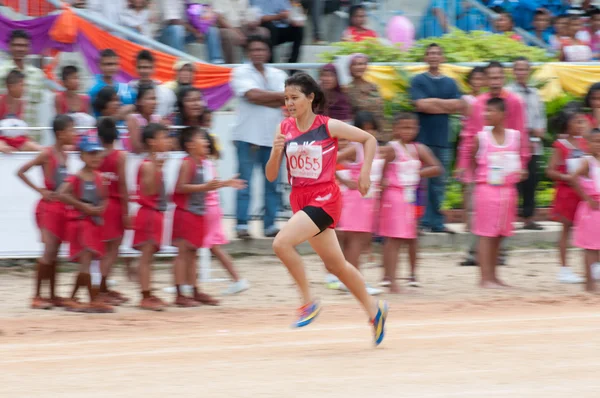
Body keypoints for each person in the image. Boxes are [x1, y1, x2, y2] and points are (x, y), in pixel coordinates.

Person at [265, 72, 388, 345]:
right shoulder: (284, 128)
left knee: (281, 244)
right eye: (286, 98)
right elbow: (271, 175)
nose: (290, 103)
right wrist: (275, 152)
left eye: (294, 97)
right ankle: (374, 310)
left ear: (310, 98)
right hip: (300, 198)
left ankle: (308, 303)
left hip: (324, 197)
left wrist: (365, 173)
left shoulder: (328, 125)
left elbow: (369, 139)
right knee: (336, 266)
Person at [459, 61, 528, 266]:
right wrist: (464, 165)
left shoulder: (514, 102)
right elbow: (469, 135)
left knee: (505, 209)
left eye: (499, 77)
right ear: (486, 79)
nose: (495, 81)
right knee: (477, 209)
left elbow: (520, 132)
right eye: (491, 77)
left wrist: (521, 163)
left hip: (505, 165)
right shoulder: (479, 103)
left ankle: (500, 252)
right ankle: (475, 252)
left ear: (504, 78)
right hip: (482, 165)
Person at [16, 115, 76, 310]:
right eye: (71, 130)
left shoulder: (65, 155)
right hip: (48, 208)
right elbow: (21, 171)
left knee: (55, 253)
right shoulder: (47, 154)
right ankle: (37, 296)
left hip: (61, 207)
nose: (74, 134)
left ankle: (51, 294)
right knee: (49, 251)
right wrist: (40, 189)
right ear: (60, 134)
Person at [379, 112, 442, 292]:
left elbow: (437, 167)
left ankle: (411, 274)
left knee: (412, 236)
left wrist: (417, 173)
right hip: (394, 196)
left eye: (412, 127)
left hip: (412, 196)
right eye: (404, 127)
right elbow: (382, 173)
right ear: (395, 128)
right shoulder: (392, 148)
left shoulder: (418, 148)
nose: (408, 131)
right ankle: (390, 279)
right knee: (394, 239)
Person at [231, 36, 286, 239]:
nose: (257, 53)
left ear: (268, 52)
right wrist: (276, 97)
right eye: (253, 49)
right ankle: (241, 225)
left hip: (273, 137)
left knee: (272, 183)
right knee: (244, 183)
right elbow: (251, 96)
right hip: (247, 136)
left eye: (261, 49)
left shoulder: (278, 73)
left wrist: (265, 98)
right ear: (248, 52)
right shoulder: (240, 72)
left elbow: (286, 99)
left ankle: (270, 225)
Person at [471, 98, 526, 289]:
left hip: (508, 191)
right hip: (487, 190)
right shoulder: (481, 138)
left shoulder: (515, 137)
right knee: (486, 235)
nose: (486, 115)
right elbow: (472, 160)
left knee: (500, 235)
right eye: (485, 111)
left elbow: (520, 162)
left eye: (492, 111)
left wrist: (520, 172)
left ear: (503, 114)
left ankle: (494, 275)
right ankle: (484, 277)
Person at [410, 43, 465, 234]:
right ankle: (423, 221)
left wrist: (433, 103)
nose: (434, 56)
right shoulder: (417, 80)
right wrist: (444, 105)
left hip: (443, 139)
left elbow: (458, 105)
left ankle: (436, 222)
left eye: (437, 53)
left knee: (439, 182)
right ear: (425, 57)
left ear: (442, 57)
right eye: (430, 53)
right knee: (422, 182)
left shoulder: (451, 82)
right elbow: (420, 105)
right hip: (422, 139)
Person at [58, 135, 113, 313]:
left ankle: (73, 297)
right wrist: (83, 206)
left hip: (93, 223)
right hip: (81, 224)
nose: (95, 157)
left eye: (97, 153)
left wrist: (100, 209)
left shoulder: (99, 177)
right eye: (91, 154)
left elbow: (105, 198)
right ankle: (93, 299)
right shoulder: (77, 177)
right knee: (87, 261)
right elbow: (61, 194)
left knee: (87, 263)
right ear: (81, 156)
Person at [335, 111, 383, 295]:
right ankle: (355, 282)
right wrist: (345, 180)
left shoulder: (373, 147)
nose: (369, 133)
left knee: (356, 241)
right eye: (364, 129)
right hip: (357, 199)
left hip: (366, 199)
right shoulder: (356, 147)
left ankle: (348, 280)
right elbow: (329, 162)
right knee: (355, 241)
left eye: (372, 129)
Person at [200, 131, 250, 295]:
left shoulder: (203, 164)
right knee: (211, 247)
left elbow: (209, 185)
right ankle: (237, 279)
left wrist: (226, 183)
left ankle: (237, 279)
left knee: (206, 247)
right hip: (211, 208)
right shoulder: (207, 163)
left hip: (206, 209)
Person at [546, 106, 587, 284]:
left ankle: (593, 266)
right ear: (566, 125)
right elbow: (550, 171)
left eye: (581, 121)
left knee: (589, 229)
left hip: (583, 192)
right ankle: (564, 269)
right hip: (567, 193)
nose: (580, 125)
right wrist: (567, 177)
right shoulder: (560, 146)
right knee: (566, 230)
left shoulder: (586, 143)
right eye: (576, 122)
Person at [131, 123, 170, 311]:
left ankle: (148, 292)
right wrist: (158, 168)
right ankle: (145, 295)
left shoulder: (152, 163)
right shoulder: (148, 165)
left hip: (154, 214)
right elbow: (150, 191)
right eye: (163, 137)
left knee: (148, 257)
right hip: (149, 214)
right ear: (152, 142)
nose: (167, 141)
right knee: (146, 257)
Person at [507, 57, 547, 231]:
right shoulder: (508, 93)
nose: (521, 72)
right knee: (514, 182)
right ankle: (510, 218)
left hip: (534, 145)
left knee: (531, 182)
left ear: (529, 71)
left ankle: (528, 218)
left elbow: (541, 118)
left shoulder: (535, 93)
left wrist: (538, 133)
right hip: (514, 144)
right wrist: (527, 132)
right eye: (518, 69)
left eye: (524, 69)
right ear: (514, 72)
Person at [97, 117, 132, 304]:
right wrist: (126, 212)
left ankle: (104, 288)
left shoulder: (96, 155)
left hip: (100, 204)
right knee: (112, 250)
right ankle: (101, 289)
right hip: (115, 205)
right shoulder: (120, 156)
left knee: (106, 250)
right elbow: (123, 185)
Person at [456, 66, 486, 266]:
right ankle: (471, 241)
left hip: (487, 148)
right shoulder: (467, 101)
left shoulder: (487, 101)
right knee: (470, 196)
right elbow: (467, 131)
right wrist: (463, 161)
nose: (478, 81)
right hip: (470, 147)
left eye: (480, 78)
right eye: (474, 78)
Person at [571, 128, 600, 292]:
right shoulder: (588, 161)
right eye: (596, 141)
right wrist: (586, 197)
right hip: (592, 209)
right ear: (588, 144)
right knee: (590, 248)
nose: (599, 145)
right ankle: (589, 284)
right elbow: (574, 177)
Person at [0, 30, 45, 128]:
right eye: (16, 45)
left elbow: (37, 107)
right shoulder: (1, 73)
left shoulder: (37, 75)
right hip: (5, 137)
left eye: (24, 45)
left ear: (29, 48)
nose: (20, 49)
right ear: (9, 47)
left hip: (31, 134)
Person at [346, 54, 387, 142]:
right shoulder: (347, 89)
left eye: (361, 64)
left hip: (379, 134)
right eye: (355, 64)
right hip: (360, 136)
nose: (358, 67)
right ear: (350, 67)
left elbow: (381, 110)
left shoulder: (373, 86)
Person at [0, 69, 41, 152]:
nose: (24, 89)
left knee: (40, 149)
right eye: (22, 85)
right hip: (2, 139)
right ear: (11, 87)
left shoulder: (21, 103)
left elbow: (18, 126)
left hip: (17, 140)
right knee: (3, 148)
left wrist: (29, 139)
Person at [128, 50, 175, 118]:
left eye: (147, 67)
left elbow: (168, 117)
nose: (143, 71)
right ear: (135, 68)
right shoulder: (127, 90)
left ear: (154, 69)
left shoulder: (167, 93)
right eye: (140, 67)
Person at [125, 84, 162, 154]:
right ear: (140, 101)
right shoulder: (132, 119)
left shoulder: (158, 119)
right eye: (150, 99)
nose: (155, 102)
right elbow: (137, 147)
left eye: (155, 99)